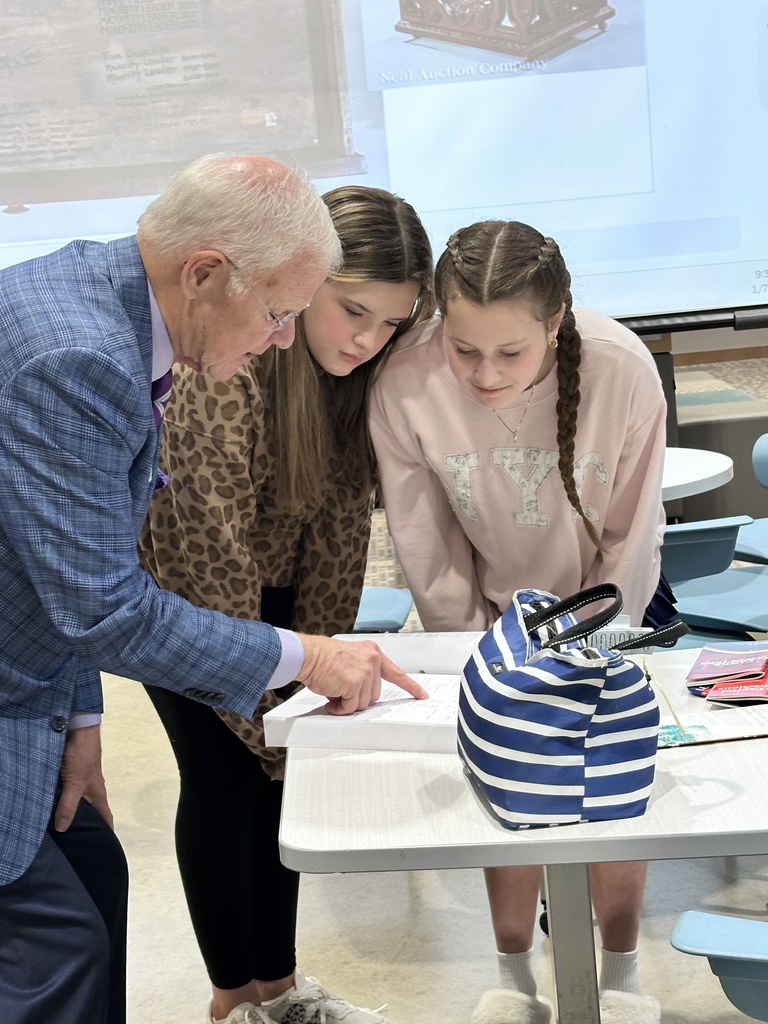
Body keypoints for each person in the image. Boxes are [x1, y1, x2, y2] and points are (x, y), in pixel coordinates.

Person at [0, 155, 427, 1024]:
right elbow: (105, 601)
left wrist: (80, 718)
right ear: (204, 273)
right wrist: (302, 659)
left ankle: (273, 991)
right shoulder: (83, 358)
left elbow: (53, 565)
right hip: (117, 639)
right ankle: (241, 999)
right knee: (64, 947)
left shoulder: (111, 307)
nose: (282, 336)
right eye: (278, 313)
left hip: (47, 673)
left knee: (96, 875)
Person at [138, 184, 436, 1024]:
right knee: (227, 776)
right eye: (351, 312)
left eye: (391, 325)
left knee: (281, 781)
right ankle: (234, 1001)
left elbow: (341, 537)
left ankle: (281, 989)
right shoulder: (228, 366)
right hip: (184, 604)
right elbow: (204, 547)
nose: (368, 341)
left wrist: (318, 663)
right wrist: (276, 682)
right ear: (305, 281)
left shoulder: (350, 379)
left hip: (278, 607)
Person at [369, 219, 670, 1024]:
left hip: (612, 607)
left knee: (614, 787)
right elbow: (425, 543)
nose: (483, 373)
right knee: (508, 780)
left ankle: (624, 976)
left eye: (510, 353)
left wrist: (597, 656)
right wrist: (493, 660)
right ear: (439, 318)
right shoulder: (404, 380)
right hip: (486, 617)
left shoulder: (621, 369)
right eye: (464, 349)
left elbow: (632, 537)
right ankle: (516, 974)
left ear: (558, 319)